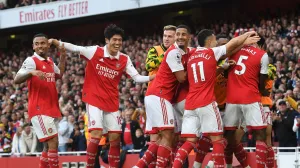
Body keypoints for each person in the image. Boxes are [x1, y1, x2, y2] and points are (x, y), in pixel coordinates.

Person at [49, 24, 155, 168]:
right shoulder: (95, 52)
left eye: (120, 40)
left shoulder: (124, 59)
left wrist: (151, 78)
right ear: (107, 40)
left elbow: (136, 77)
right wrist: (57, 42)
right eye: (114, 40)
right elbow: (75, 48)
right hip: (94, 99)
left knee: (115, 138)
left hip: (111, 102)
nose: (118, 43)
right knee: (96, 134)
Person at [173, 29, 259, 168]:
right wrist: (246, 35)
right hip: (206, 102)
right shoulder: (211, 52)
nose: (215, 43)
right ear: (209, 41)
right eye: (214, 40)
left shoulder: (191, 54)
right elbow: (231, 44)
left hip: (190, 104)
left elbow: (207, 73)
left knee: (189, 142)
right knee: (218, 140)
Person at [134, 25, 190, 168]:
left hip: (162, 96)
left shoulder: (180, 52)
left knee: (163, 138)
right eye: (165, 36)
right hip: (159, 94)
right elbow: (149, 65)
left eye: (169, 36)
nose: (166, 38)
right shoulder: (162, 51)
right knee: (166, 135)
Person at [14, 33, 66, 168]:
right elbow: (16, 79)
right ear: (33, 46)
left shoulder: (49, 61)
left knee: (47, 146)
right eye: (37, 44)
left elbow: (59, 74)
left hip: (51, 108)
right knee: (54, 140)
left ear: (48, 45)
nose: (40, 46)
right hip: (39, 109)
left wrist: (63, 55)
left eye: (42, 43)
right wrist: (31, 73)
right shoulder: (31, 61)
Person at [223, 34, 270, 168]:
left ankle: (228, 165)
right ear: (261, 44)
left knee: (229, 135)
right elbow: (262, 81)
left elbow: (226, 73)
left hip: (232, 99)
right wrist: (264, 91)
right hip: (251, 98)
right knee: (260, 133)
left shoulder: (234, 50)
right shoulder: (262, 54)